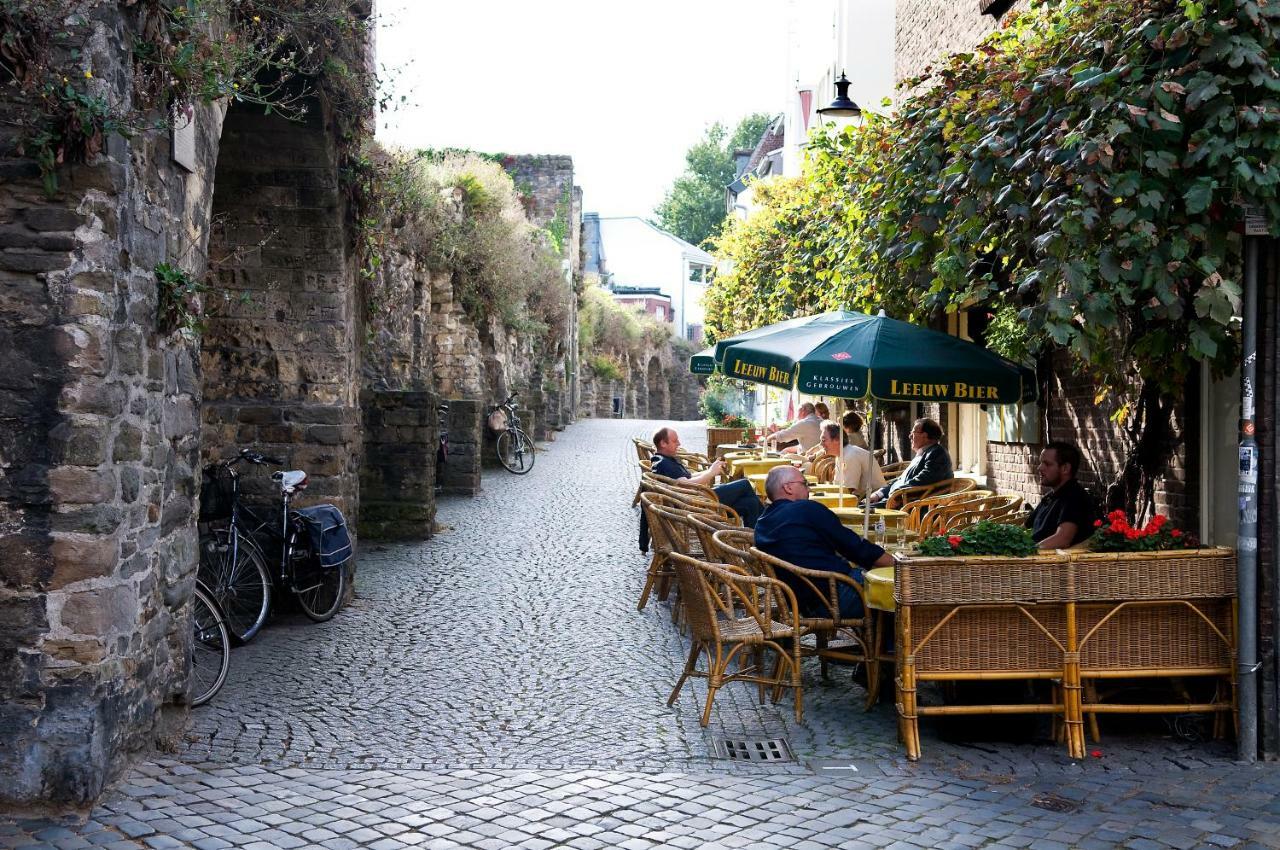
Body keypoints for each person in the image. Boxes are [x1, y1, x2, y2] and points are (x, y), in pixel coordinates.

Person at [754, 465, 894, 618]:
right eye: (804, 483)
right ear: (788, 488)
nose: (809, 489)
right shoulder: (806, 509)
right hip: (834, 597)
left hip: (799, 602)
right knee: (897, 591)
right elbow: (855, 547)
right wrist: (896, 563)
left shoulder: (762, 522)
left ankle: (874, 639)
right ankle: (892, 642)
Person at [650, 427, 763, 528]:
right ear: (663, 443)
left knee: (751, 503)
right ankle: (770, 527)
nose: (679, 443)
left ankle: (756, 542)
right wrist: (710, 473)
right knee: (744, 484)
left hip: (697, 500)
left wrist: (710, 470)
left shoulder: (662, 460)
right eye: (675, 441)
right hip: (695, 505)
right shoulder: (664, 463)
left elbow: (687, 478)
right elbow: (686, 486)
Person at [1026, 441, 1098, 548]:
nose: (1040, 468)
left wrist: (1028, 552)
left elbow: (1062, 539)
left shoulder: (1075, 498)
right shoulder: (1051, 496)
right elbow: (1025, 527)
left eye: (1047, 464)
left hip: (1047, 562)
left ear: (1065, 468)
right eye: (1041, 463)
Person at [867, 417, 952, 506]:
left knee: (861, 512)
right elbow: (901, 480)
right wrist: (879, 494)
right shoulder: (923, 454)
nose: (910, 436)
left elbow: (924, 480)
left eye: (913, 432)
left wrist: (898, 494)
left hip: (912, 507)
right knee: (860, 506)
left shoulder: (937, 453)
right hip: (897, 500)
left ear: (925, 435)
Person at [819, 422, 885, 495]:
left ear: (837, 439)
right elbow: (838, 486)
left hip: (871, 501)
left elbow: (848, 491)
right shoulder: (842, 454)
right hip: (862, 497)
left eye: (823, 440)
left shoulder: (850, 455)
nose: (821, 444)